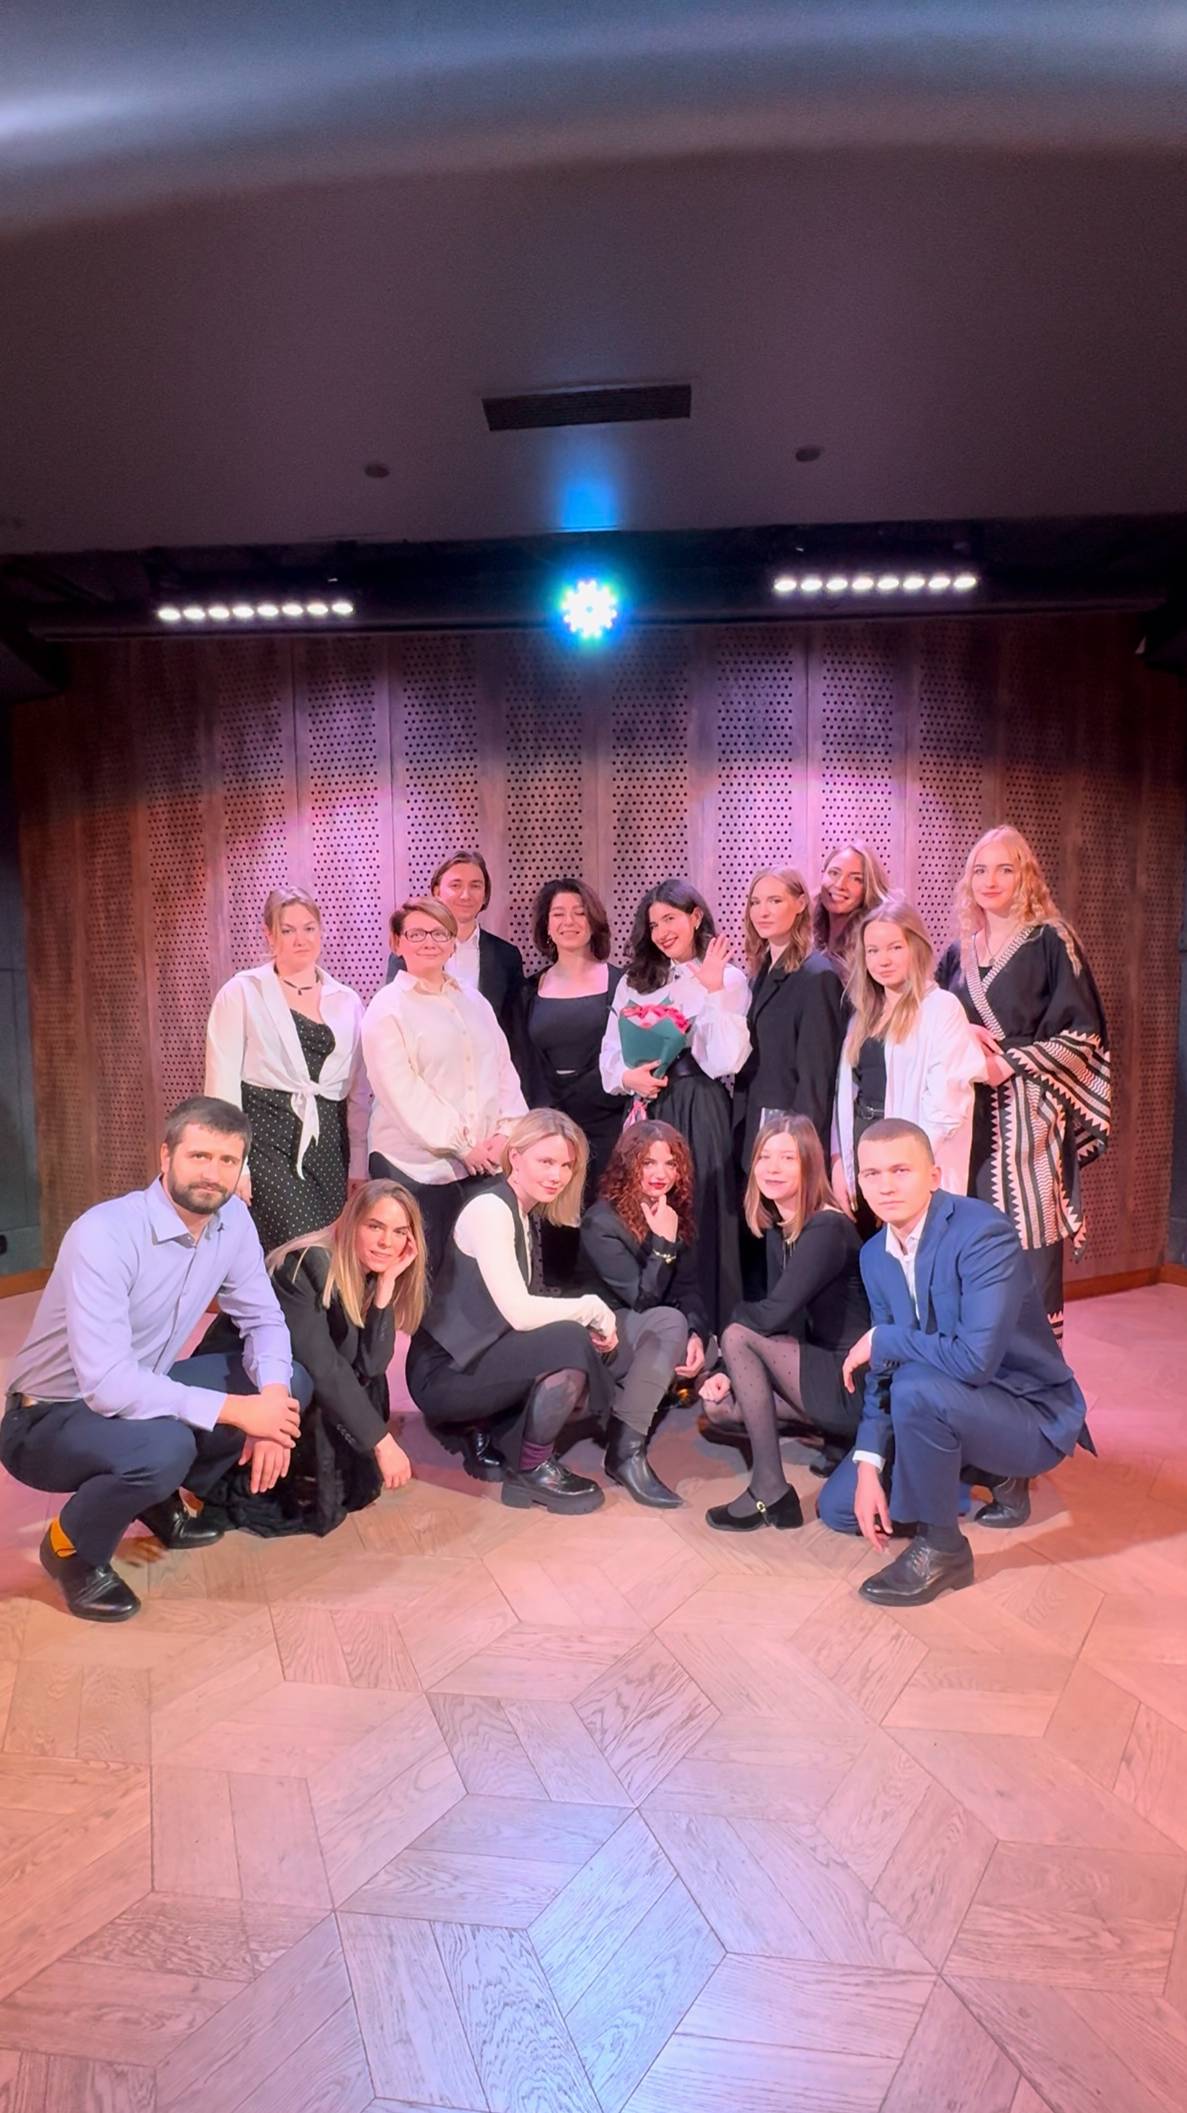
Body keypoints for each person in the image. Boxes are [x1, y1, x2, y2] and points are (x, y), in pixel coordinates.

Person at [0, 1098, 308, 1623]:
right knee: (166, 1445)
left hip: (139, 1387)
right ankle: (72, 1550)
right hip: (46, 1417)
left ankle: (152, 1497)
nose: (212, 1174)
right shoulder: (105, 1233)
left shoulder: (233, 1219)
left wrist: (273, 1408)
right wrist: (241, 1412)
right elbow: (107, 1386)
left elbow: (264, 1320)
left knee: (291, 1379)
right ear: (165, 1156)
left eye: (228, 1161)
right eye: (199, 1156)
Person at [820, 1119, 1092, 1601]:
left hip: (1024, 1410)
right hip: (942, 1400)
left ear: (934, 1176)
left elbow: (973, 1361)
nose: (885, 1186)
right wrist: (867, 1462)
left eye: (901, 1170)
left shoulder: (982, 1233)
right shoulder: (874, 1255)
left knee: (915, 1388)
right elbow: (884, 1370)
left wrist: (885, 1339)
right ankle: (981, 1472)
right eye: (872, 1174)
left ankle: (942, 1548)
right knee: (840, 1508)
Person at [937, 825, 1110, 1336]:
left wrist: (1010, 1063)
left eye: (1004, 869)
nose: (990, 880)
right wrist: (963, 1029)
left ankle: (1037, 1370)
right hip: (967, 1115)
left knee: (1028, 1227)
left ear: (1025, 876)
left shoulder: (1051, 940)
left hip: (1029, 1113)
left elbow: (1084, 1032)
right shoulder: (958, 953)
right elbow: (932, 1015)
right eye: (980, 870)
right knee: (969, 1230)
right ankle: (977, 1359)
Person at [405, 1111, 617, 1513]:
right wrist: (590, 1309)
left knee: (572, 1339)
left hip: (476, 1356)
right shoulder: (491, 1209)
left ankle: (498, 1433)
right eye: (546, 1161)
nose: (557, 1175)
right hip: (443, 1372)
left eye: (567, 1165)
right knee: (570, 1340)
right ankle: (532, 1470)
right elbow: (519, 1313)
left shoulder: (521, 1210)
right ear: (515, 1157)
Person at [201, 1180, 427, 1538]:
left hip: (296, 1381)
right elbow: (323, 1367)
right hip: (241, 1386)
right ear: (351, 1221)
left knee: (364, 1382)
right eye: (375, 1226)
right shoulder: (303, 1266)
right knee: (316, 1377)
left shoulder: (370, 1270)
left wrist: (385, 1289)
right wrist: (383, 1443)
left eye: (400, 1232)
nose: (387, 1242)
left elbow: (371, 1366)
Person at [700, 1115, 869, 1533]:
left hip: (851, 1384)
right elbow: (782, 1323)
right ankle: (835, 1442)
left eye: (787, 1158)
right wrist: (725, 1371)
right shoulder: (783, 1228)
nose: (772, 1168)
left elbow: (770, 1316)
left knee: (737, 1333)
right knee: (719, 1407)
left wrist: (729, 1338)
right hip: (818, 1371)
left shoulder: (827, 1227)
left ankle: (770, 1489)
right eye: (764, 1157)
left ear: (809, 1164)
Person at [600, 878, 750, 1333]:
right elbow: (610, 1056)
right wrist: (628, 1078)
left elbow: (726, 1060)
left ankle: (711, 1333)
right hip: (646, 1108)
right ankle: (661, 1328)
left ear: (695, 917)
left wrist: (711, 991)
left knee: (700, 1213)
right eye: (654, 924)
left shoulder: (725, 975)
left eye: (671, 919)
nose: (663, 931)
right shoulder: (634, 981)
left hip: (699, 1105)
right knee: (648, 1214)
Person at [362, 896, 527, 1274]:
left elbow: (503, 1070)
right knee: (418, 1280)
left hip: (483, 1163)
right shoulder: (387, 1007)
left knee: (476, 1279)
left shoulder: (473, 1001)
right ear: (397, 942)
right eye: (416, 934)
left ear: (453, 942)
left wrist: (506, 1134)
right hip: (415, 1168)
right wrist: (461, 1145)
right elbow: (403, 1092)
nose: (429, 942)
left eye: (439, 933)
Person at [205, 887, 369, 1253]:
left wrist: (358, 1161)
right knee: (300, 1251)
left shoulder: (346, 1000)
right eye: (288, 930)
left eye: (309, 928)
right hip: (267, 1141)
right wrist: (235, 1163)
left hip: (329, 1147)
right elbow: (221, 1085)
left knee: (331, 1252)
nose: (301, 939)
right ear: (269, 934)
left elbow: (358, 1091)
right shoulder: (242, 992)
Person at [832, 894, 986, 1235]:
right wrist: (840, 1160)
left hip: (911, 1168)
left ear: (915, 948)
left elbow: (946, 1103)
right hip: (865, 1156)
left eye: (894, 948)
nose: (883, 960)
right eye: (873, 951)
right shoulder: (862, 1016)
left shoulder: (940, 1008)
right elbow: (845, 1098)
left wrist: (902, 1168)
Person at [578, 1120, 707, 1508]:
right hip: (605, 1337)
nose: (660, 1173)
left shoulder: (672, 1211)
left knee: (712, 1344)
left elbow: (690, 1287)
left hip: (651, 1329)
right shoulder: (601, 1221)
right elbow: (641, 1300)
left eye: (670, 1164)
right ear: (628, 1164)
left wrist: (697, 1334)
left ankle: (645, 1394)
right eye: (648, 1162)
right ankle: (625, 1453)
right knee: (669, 1322)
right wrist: (663, 1243)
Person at [512, 877, 626, 1198]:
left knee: (607, 1215)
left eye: (579, 912)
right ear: (547, 925)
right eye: (558, 914)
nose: (569, 921)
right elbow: (523, 1062)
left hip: (609, 1123)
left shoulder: (623, 984)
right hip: (549, 1129)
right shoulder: (528, 991)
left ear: (594, 921)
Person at [733, 866, 844, 1172]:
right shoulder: (760, 972)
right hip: (754, 1124)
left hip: (787, 1135)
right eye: (755, 902)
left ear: (800, 904)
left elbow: (815, 1079)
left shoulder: (817, 976)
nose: (762, 911)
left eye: (775, 901)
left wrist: (798, 1146)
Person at [385, 849, 524, 1044]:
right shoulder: (410, 952)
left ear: (485, 895)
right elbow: (395, 1016)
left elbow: (515, 1031)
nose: (465, 895)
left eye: (475, 886)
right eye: (455, 885)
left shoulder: (507, 956)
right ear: (437, 892)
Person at [812, 841, 891, 975]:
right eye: (834, 873)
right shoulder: (806, 929)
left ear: (868, 888)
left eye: (855, 879)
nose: (840, 885)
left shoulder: (873, 939)